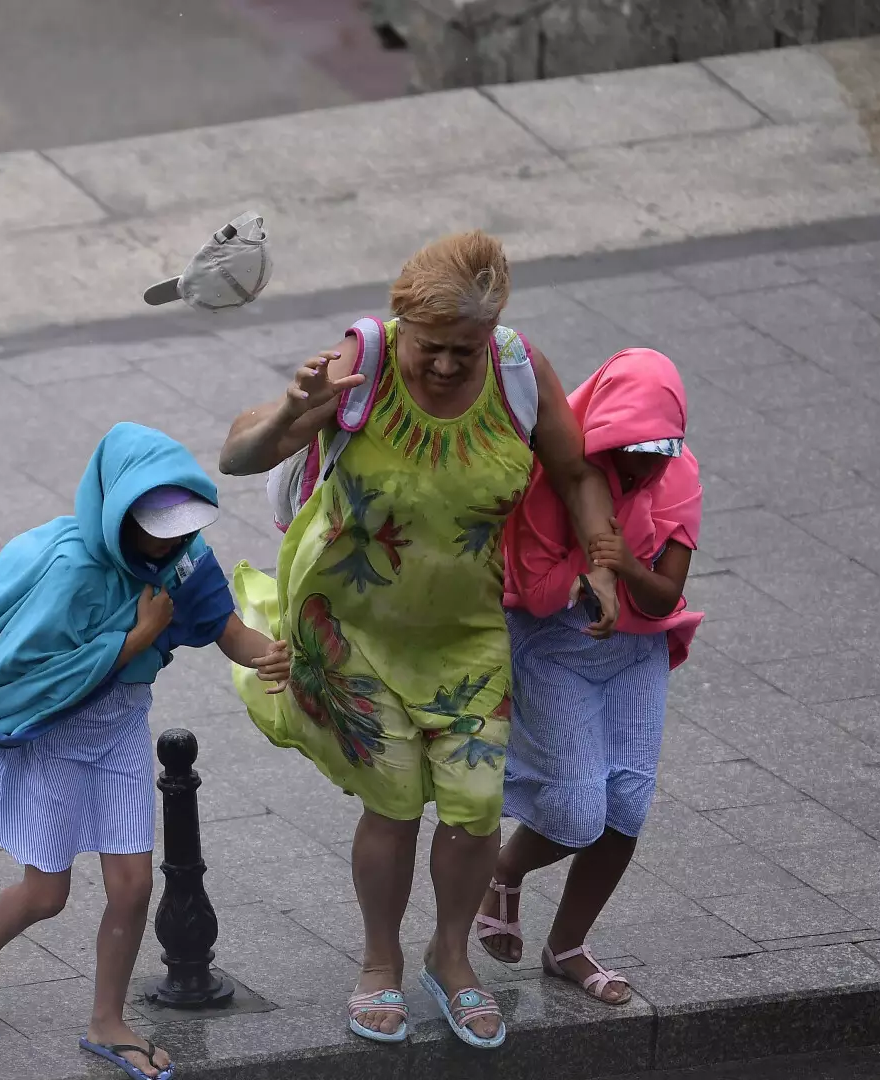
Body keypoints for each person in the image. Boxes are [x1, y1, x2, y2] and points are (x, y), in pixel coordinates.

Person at [218, 231, 620, 1049]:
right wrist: (296, 410)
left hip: (466, 632)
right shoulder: (359, 364)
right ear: (403, 327)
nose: (445, 365)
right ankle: (379, 964)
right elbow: (237, 455)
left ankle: (451, 959)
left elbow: (576, 472)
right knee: (394, 802)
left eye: (463, 351)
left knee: (474, 812)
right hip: (351, 630)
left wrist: (603, 564)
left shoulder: (516, 372)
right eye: (431, 349)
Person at [0, 423, 292, 1080]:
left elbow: (226, 628)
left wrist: (266, 653)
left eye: (180, 522)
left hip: (121, 732)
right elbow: (36, 681)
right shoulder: (71, 568)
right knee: (46, 894)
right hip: (55, 741)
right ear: (116, 510)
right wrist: (133, 640)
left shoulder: (185, 559)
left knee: (132, 887)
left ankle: (107, 1022)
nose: (171, 538)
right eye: (155, 524)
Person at [474, 348, 703, 1005]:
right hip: (552, 648)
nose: (651, 463)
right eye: (636, 448)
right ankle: (503, 870)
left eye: (663, 447)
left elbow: (664, 598)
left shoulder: (679, 476)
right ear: (604, 434)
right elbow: (535, 594)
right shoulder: (546, 484)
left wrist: (627, 567)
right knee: (577, 809)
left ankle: (568, 945)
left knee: (626, 806)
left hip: (637, 651)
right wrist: (585, 572)